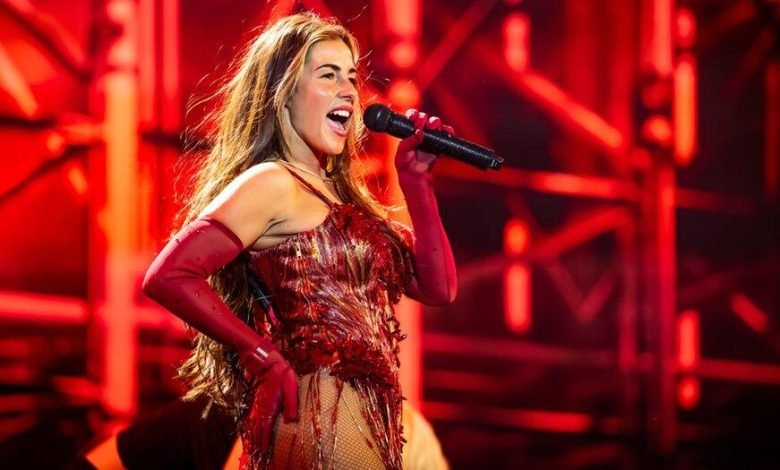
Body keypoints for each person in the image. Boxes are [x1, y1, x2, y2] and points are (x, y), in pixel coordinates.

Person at [142, 12, 456, 470]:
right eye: (328, 75)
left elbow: (438, 288)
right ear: (283, 93)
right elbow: (169, 274)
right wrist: (260, 354)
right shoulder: (273, 181)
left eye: (352, 77)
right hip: (323, 412)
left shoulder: (345, 199)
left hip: (369, 418)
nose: (349, 90)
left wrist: (417, 183)